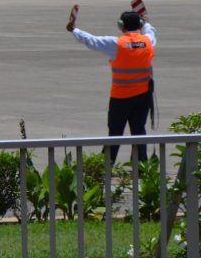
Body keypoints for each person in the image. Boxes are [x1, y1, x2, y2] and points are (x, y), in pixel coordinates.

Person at [67, 9, 157, 162]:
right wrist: (147, 23)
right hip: (143, 97)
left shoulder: (117, 44)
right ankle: (142, 169)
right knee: (139, 132)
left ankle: (105, 168)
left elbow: (92, 41)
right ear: (140, 24)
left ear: (121, 26)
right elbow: (151, 31)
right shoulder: (148, 41)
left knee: (115, 134)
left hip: (121, 98)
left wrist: (74, 29)